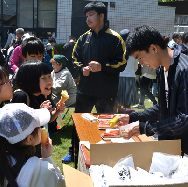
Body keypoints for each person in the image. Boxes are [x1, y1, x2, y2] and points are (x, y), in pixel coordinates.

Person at [117, 25, 188, 160]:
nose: (141, 64)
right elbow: (163, 106)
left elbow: (184, 119)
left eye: (140, 58)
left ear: (153, 48)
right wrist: (133, 117)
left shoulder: (186, 71)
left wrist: (145, 128)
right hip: (180, 144)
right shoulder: (162, 69)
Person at [62, 1, 126, 163]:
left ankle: (106, 155)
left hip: (106, 93)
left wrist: (102, 67)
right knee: (79, 124)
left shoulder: (115, 38)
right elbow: (75, 58)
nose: (87, 19)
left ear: (101, 16)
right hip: (85, 91)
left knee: (107, 126)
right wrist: (81, 68)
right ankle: (74, 152)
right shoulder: (83, 38)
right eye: (86, 16)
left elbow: (122, 63)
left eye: (91, 15)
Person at [0, 103, 65, 187]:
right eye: (38, 126)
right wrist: (47, 158)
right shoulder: (42, 170)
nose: (41, 128)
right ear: (29, 139)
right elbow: (60, 182)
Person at [11, 60, 65, 157]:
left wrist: (57, 111)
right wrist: (39, 113)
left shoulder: (42, 95)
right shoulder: (21, 96)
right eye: (43, 78)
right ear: (31, 80)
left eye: (49, 76)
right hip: (24, 150)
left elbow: (48, 120)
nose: (49, 81)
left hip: (38, 144)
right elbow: (16, 126)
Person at [113, 29, 138, 112]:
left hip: (116, 78)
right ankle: (126, 122)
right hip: (129, 78)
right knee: (127, 104)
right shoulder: (133, 51)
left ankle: (112, 121)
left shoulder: (115, 50)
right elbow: (135, 68)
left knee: (114, 102)